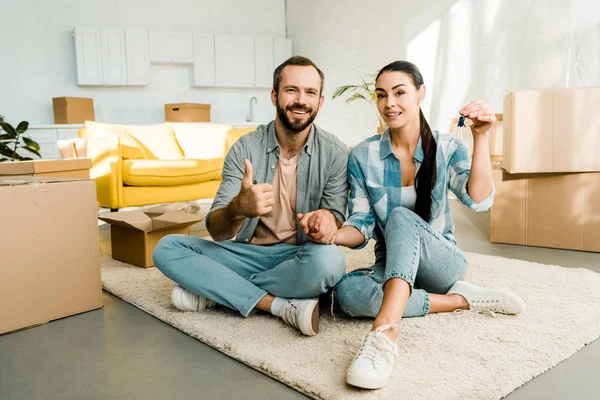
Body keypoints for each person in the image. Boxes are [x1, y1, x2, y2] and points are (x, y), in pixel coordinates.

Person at [300, 60, 526, 389]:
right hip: (390, 265)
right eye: (381, 95)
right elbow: (360, 228)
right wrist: (334, 233)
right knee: (347, 294)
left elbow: (478, 199)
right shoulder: (362, 156)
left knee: (400, 217)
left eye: (399, 92)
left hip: (441, 265)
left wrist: (482, 138)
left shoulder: (447, 146)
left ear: (420, 93)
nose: (389, 103)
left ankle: (385, 334)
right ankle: (460, 300)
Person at [152, 56, 349, 336]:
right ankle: (277, 305)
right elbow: (217, 231)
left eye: (310, 92)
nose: (301, 100)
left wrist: (327, 221)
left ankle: (218, 290)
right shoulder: (244, 148)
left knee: (331, 263)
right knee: (167, 248)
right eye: (291, 90)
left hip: (299, 256)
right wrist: (238, 209)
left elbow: (335, 215)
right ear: (274, 95)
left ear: (320, 101)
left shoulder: (336, 154)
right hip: (247, 253)